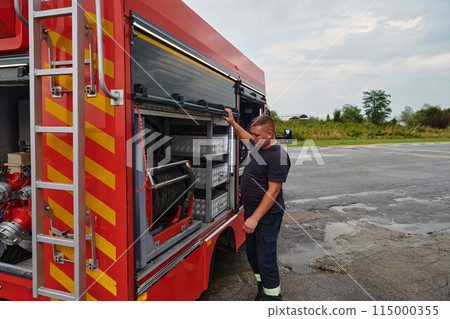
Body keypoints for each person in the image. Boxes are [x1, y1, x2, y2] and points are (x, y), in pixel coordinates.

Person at [224, 108, 291, 301]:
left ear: (269, 134)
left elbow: (274, 191)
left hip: (266, 216)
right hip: (253, 212)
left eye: (256, 135)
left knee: (266, 260)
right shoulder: (260, 145)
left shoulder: (277, 155)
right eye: (252, 134)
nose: (252, 138)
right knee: (253, 256)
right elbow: (245, 137)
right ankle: (263, 289)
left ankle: (273, 300)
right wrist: (234, 124)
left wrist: (255, 218)